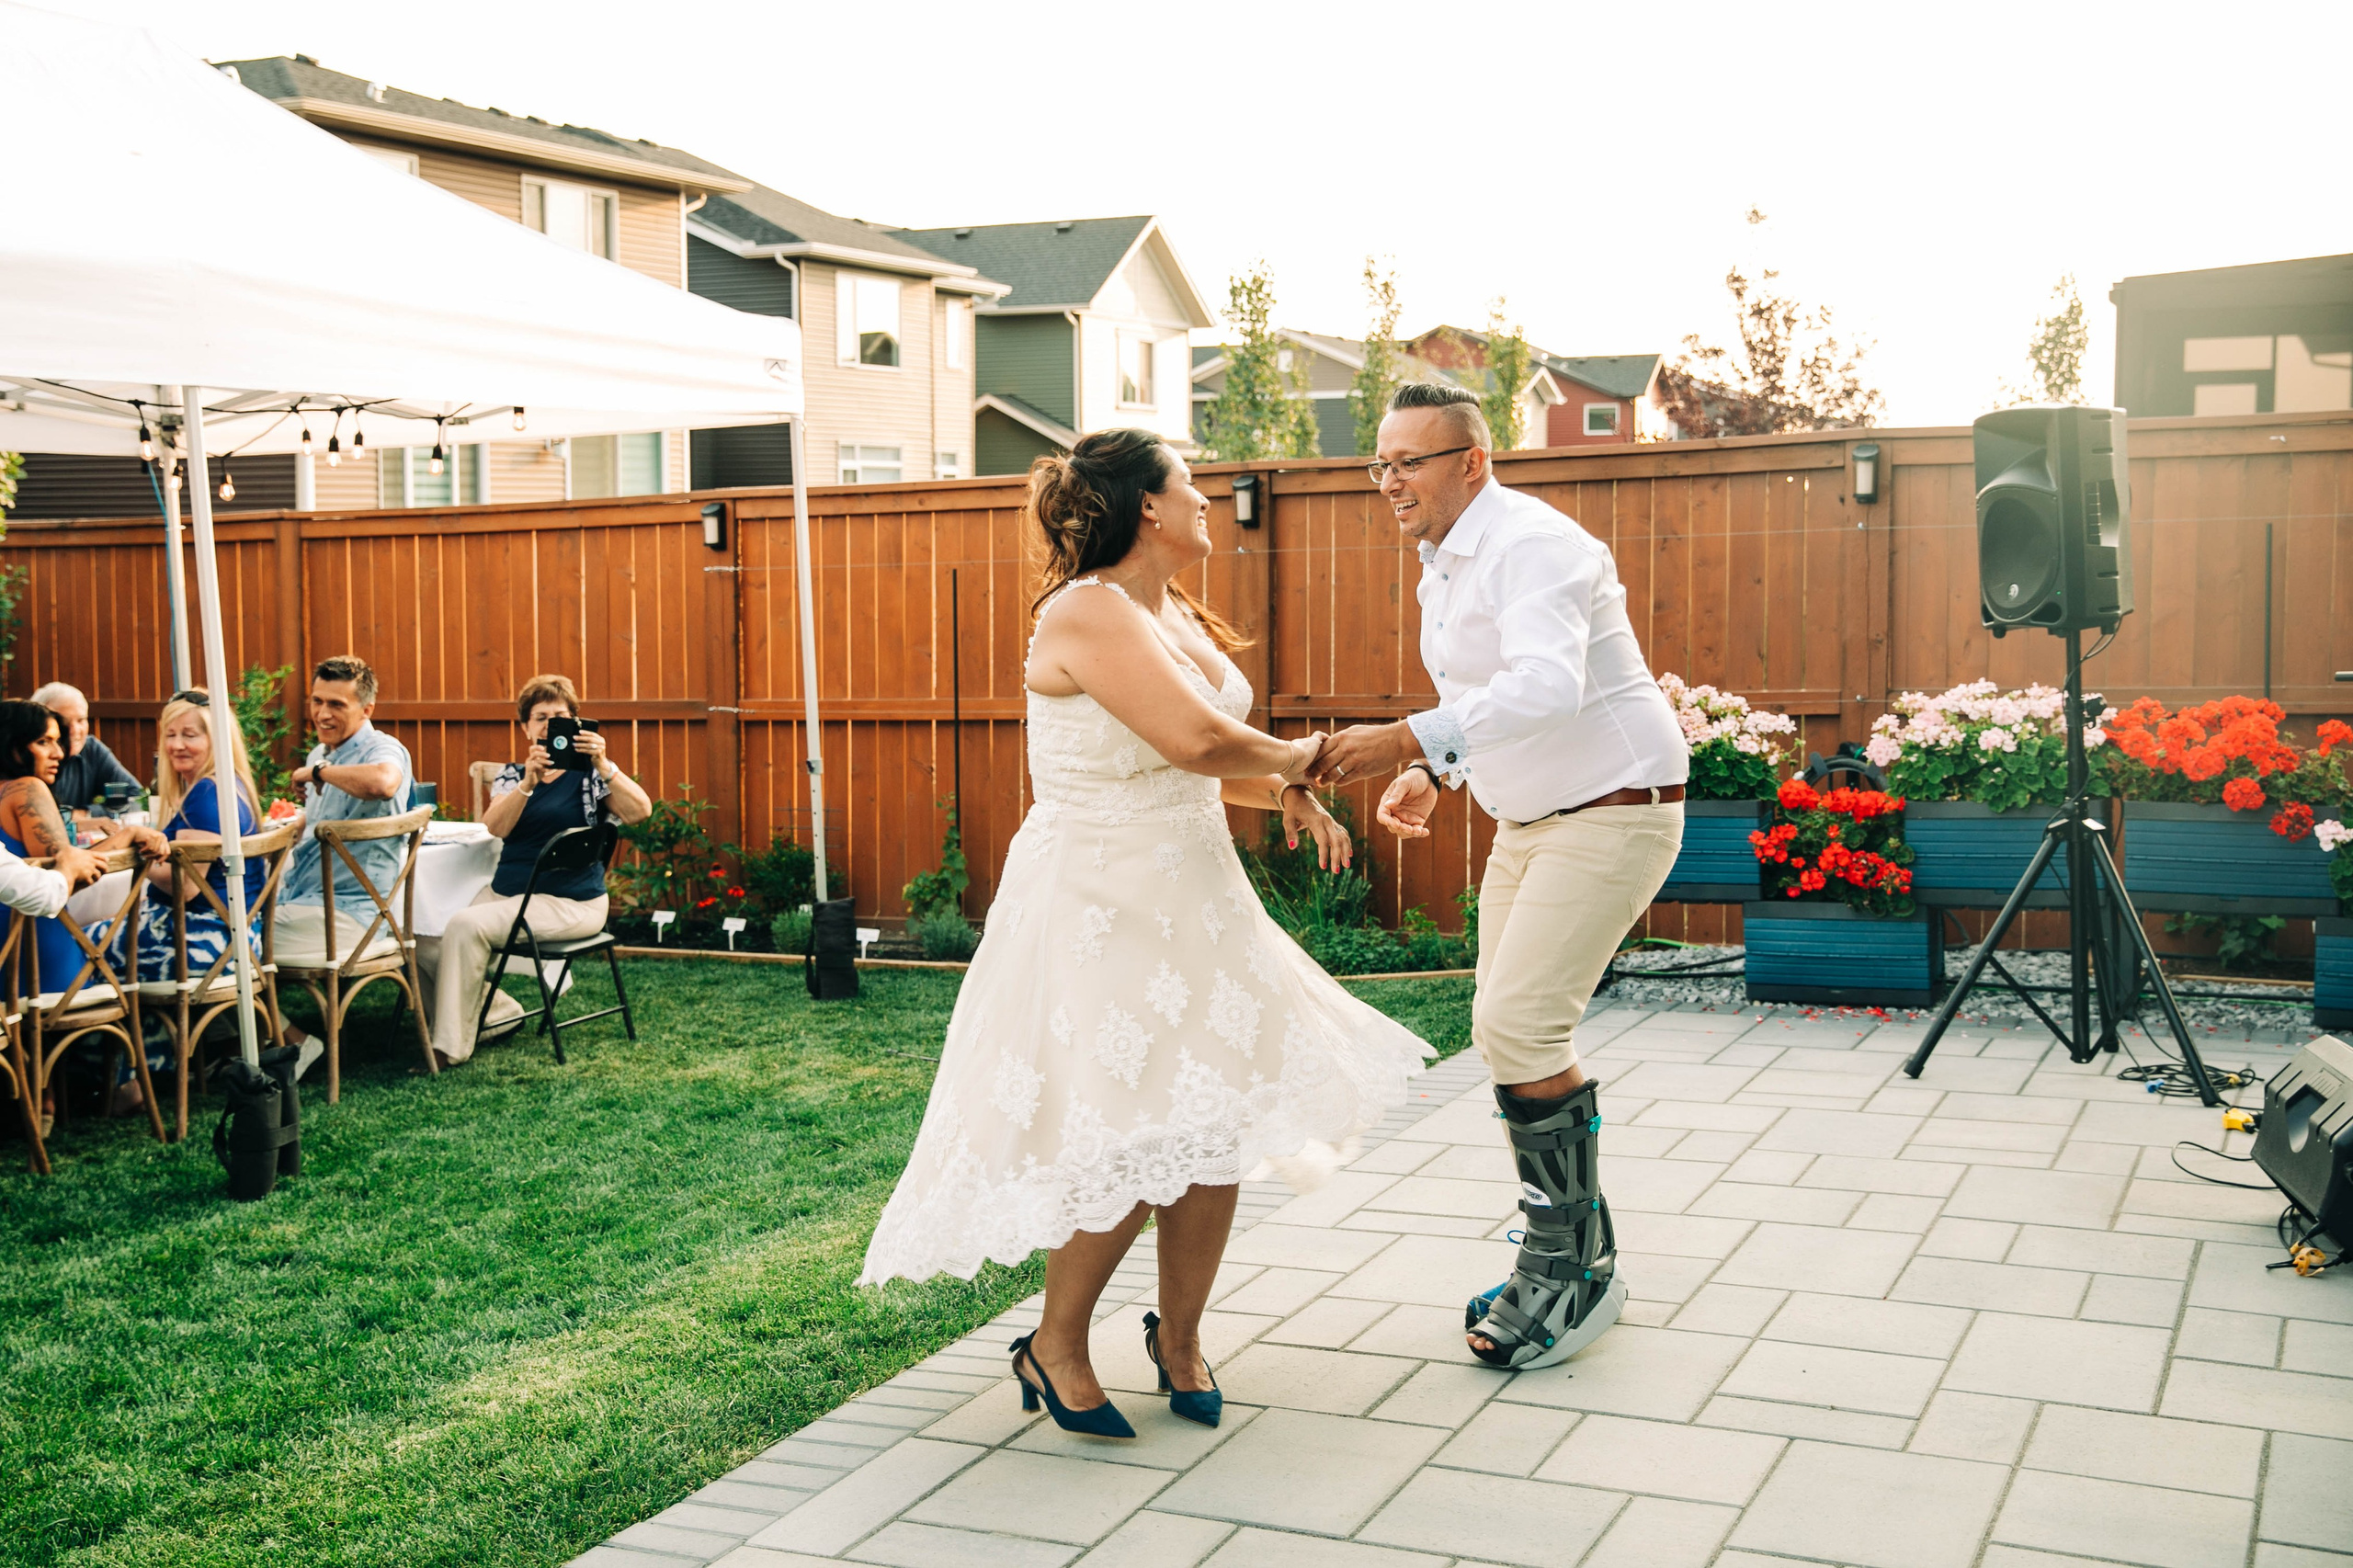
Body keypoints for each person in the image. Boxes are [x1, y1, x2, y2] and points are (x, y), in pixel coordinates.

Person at [860, 429, 1432, 1438]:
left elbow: (1195, 766)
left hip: (1196, 895)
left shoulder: (1172, 610)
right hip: (1100, 899)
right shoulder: (1086, 611)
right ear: (1148, 507)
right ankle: (1056, 1343)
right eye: (1189, 484)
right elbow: (1195, 738)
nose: (1206, 499)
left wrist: (1280, 793)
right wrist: (1312, 759)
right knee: (1132, 1127)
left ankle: (1181, 1338)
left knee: (1215, 1122)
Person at [1309, 381, 1689, 1370]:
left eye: (1410, 462)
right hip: (1530, 818)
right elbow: (1488, 695)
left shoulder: (1533, 545)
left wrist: (1404, 737)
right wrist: (1438, 770)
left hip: (1611, 807)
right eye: (1381, 463)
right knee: (1504, 1029)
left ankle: (1567, 1264)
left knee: (1521, 1027)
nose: (1389, 480)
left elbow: (1547, 685)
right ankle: (1575, 1250)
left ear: (1471, 461)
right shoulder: (1447, 559)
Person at [416, 675, 650, 1068]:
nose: (548, 725)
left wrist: (603, 763)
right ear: (526, 727)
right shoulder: (513, 775)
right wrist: (528, 783)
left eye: (560, 717)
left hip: (571, 902)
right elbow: (495, 827)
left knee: (466, 925)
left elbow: (640, 811)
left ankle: (449, 1048)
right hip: (508, 895)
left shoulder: (591, 775)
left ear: (576, 722)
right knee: (423, 939)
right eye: (540, 717)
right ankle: (497, 1015)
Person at [121, 693, 306, 1073]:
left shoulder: (207, 795)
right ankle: (163, 1063)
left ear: (217, 740)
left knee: (88, 955)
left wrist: (136, 856)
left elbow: (188, 887)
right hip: (234, 934)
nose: (177, 745)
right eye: (170, 734)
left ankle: (132, 1075)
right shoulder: (226, 785)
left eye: (190, 735)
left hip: (208, 942)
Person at [0, 699, 168, 1115]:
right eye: (44, 742)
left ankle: (43, 1087)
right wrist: (129, 837)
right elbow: (70, 875)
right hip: (38, 963)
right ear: (13, 745)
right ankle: (119, 1085)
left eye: (58, 742)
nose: (59, 753)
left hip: (5, 962)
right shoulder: (26, 790)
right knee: (113, 952)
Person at [273, 656, 413, 1056]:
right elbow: (321, 820)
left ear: (367, 710)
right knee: (211, 931)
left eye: (337, 704)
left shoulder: (382, 748)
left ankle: (293, 1045)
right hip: (307, 903)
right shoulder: (323, 752)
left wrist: (319, 772)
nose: (322, 713)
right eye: (317, 701)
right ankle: (239, 1046)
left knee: (224, 944)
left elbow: (384, 783)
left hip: (351, 917)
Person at [31, 681, 142, 819]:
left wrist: (85, 814)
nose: (74, 730)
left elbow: (138, 799)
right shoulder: (26, 756)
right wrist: (69, 818)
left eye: (81, 720)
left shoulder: (92, 750)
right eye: (64, 722)